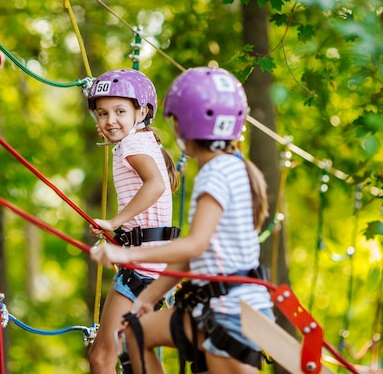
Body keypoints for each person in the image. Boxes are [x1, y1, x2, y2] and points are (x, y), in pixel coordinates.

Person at [90, 66, 274, 374]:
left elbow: (194, 245)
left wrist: (126, 253)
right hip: (231, 305)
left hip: (226, 312)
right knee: (134, 333)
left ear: (182, 124)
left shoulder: (215, 173)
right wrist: (150, 296)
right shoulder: (232, 167)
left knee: (127, 339)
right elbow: (198, 252)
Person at [86, 69, 180, 374]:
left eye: (120, 111)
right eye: (102, 113)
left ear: (142, 112)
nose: (110, 120)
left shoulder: (132, 145)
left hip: (144, 268)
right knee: (138, 357)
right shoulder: (142, 140)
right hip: (150, 264)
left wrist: (115, 222)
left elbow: (154, 184)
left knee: (103, 358)